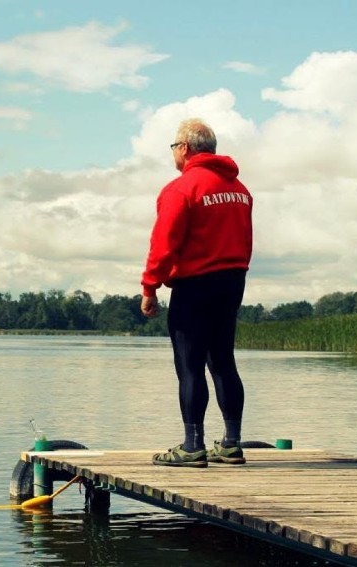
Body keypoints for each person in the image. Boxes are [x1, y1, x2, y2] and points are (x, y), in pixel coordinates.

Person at [141, 118, 253, 468]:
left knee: (190, 367)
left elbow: (164, 244)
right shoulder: (240, 189)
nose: (173, 152)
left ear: (185, 148)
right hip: (233, 281)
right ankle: (231, 444)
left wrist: (150, 287)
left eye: (174, 146)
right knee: (223, 362)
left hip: (195, 285)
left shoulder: (182, 188)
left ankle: (192, 446)